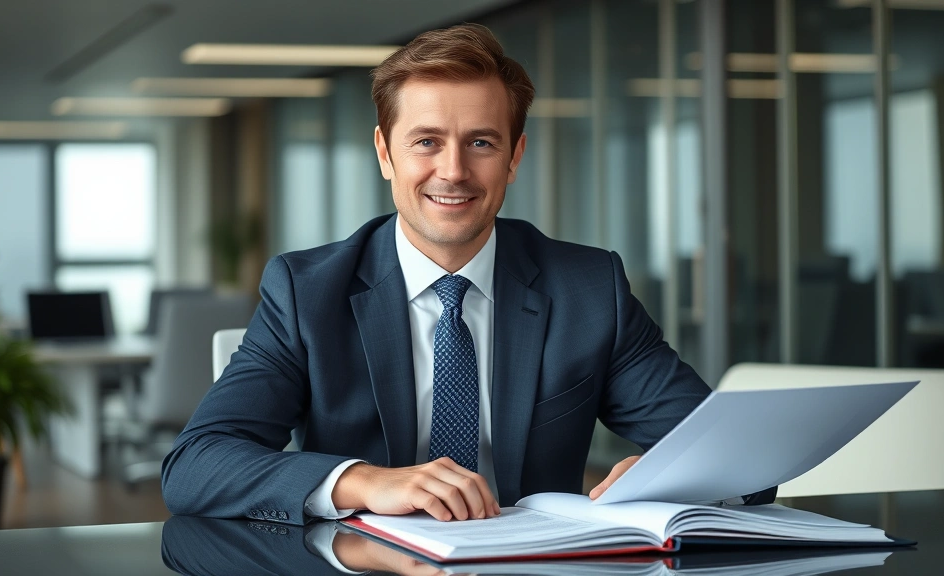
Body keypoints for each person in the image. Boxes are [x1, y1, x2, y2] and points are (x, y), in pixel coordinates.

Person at [161, 23, 775, 527]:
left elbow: (738, 457)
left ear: (514, 157)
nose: (453, 171)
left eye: (481, 142)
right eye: (426, 141)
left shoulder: (589, 288)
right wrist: (365, 482)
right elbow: (196, 465)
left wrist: (670, 475)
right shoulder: (306, 291)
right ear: (384, 153)